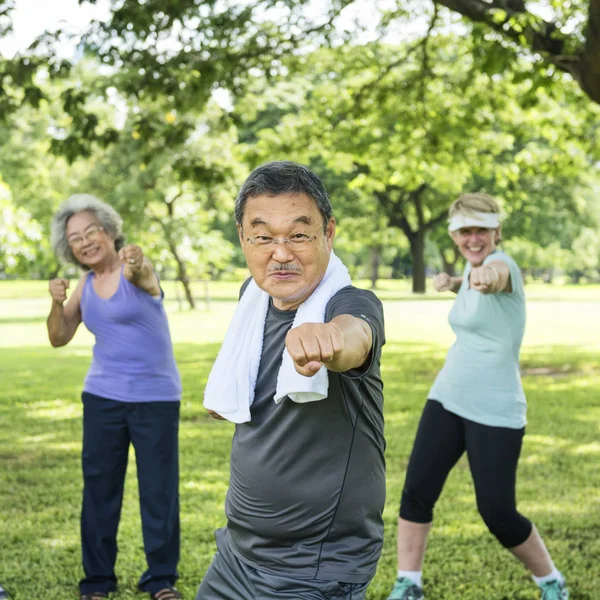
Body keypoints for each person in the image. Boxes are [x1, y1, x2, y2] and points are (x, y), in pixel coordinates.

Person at [199, 161, 386, 600]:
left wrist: (331, 339)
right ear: (243, 239)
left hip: (314, 566)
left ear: (328, 233)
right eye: (263, 237)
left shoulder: (350, 302)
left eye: (299, 235)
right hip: (236, 553)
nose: (280, 254)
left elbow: (356, 337)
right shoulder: (253, 295)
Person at [386, 193, 569, 600]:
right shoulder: (470, 272)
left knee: (498, 513)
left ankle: (551, 581)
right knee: (417, 492)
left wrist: (484, 277)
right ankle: (408, 583)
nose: (473, 239)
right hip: (447, 396)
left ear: (496, 233)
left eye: (481, 231)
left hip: (496, 409)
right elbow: (470, 287)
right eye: (464, 231)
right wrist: (452, 282)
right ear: (454, 235)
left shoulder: (502, 269)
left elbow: (494, 278)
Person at [47, 194, 183, 600]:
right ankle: (98, 581)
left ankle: (160, 579)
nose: (86, 241)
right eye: (75, 238)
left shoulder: (132, 270)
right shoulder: (85, 285)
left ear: (108, 230)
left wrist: (138, 263)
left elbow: (145, 276)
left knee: (159, 490)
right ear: (68, 247)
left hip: (155, 399)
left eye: (92, 231)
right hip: (102, 398)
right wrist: (56, 302)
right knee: (99, 491)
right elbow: (58, 337)